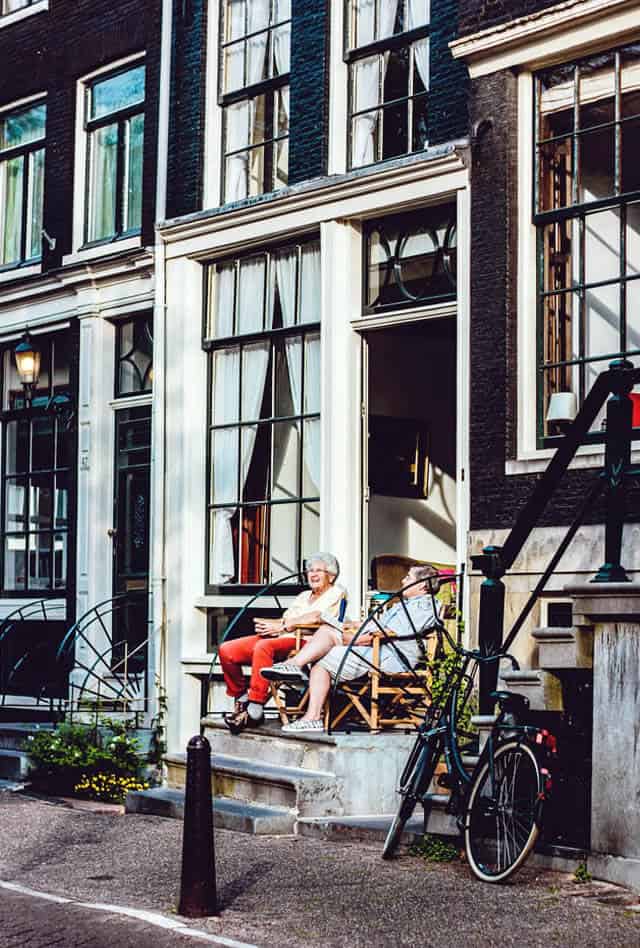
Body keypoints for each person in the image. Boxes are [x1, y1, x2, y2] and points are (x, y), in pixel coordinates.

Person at [275, 564, 441, 733]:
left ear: (422, 585)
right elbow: (380, 626)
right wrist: (352, 626)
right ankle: (307, 699)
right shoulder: (407, 604)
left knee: (324, 648)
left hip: (389, 657)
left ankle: (307, 700)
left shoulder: (423, 607)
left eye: (409, 577)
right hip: (377, 650)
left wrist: (356, 639)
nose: (403, 580)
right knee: (325, 638)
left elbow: (388, 632)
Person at [219, 553, 346, 734]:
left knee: (263, 647)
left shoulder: (336, 592)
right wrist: (270, 626)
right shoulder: (303, 596)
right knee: (227, 650)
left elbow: (317, 617)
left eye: (318, 570)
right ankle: (242, 695)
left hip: (306, 641)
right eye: (310, 571)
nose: (313, 574)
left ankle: (255, 705)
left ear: (331, 575)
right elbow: (286, 619)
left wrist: (283, 626)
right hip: (282, 635)